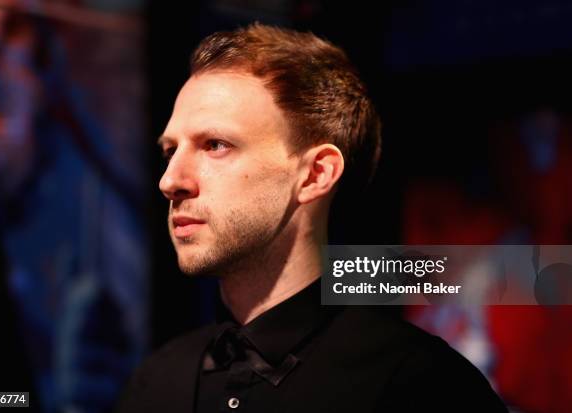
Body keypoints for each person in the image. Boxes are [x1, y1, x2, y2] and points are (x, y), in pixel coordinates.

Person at [117, 23, 508, 412]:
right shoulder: (154, 383)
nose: (170, 181)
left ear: (316, 174)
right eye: (171, 151)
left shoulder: (424, 389)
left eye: (215, 145)